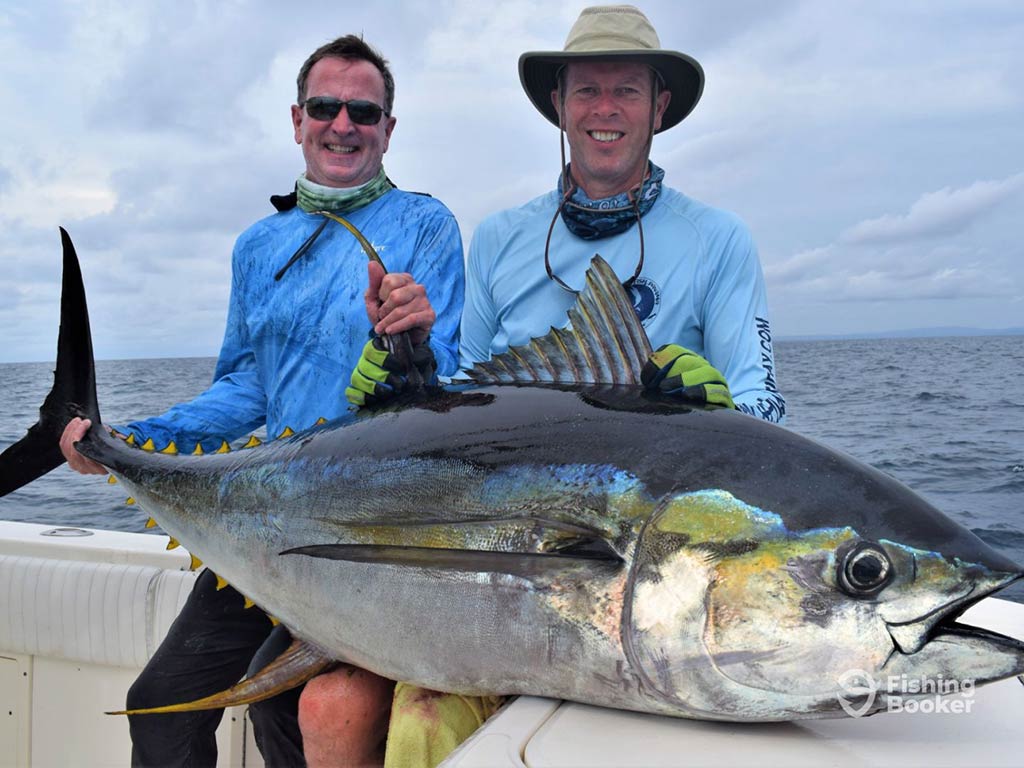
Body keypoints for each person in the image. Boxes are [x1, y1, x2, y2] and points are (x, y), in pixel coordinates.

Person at [59, 34, 464, 768]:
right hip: (260, 515)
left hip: (361, 527)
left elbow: (442, 388)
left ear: (389, 129)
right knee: (160, 708)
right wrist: (124, 436)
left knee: (285, 709)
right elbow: (244, 387)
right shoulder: (256, 244)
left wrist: (407, 334)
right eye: (324, 106)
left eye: (363, 111)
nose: (343, 124)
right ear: (296, 119)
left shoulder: (426, 225)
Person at [461, 3, 786, 422]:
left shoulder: (719, 238)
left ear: (659, 107)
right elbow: (464, 391)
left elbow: (765, 403)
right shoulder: (496, 236)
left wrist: (726, 409)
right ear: (560, 105)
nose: (606, 108)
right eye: (587, 90)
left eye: (628, 90)